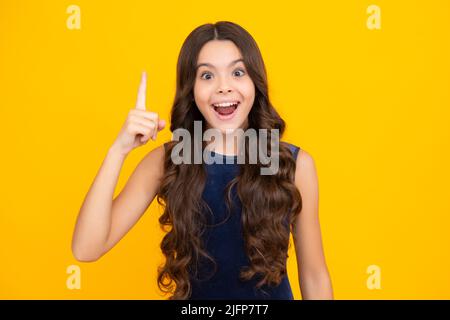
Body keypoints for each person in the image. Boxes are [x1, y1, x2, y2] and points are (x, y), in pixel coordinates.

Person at [72, 21, 333, 300]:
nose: (224, 87)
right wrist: (118, 151)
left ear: (254, 82)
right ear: (191, 89)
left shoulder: (294, 165)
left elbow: (314, 275)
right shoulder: (168, 161)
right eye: (207, 76)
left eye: (237, 72)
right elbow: (86, 248)